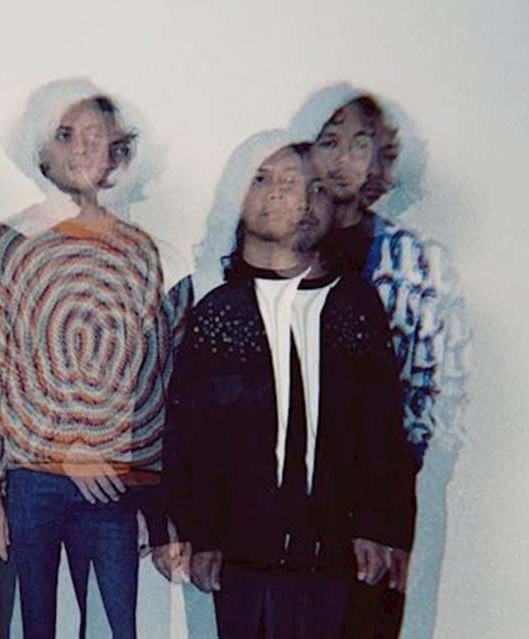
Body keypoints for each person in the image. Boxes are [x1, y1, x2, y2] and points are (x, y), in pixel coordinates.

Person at [0, 80, 180, 639]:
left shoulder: (139, 250)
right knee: (37, 626)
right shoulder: (8, 241)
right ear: (41, 150)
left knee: (114, 627)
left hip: (114, 487)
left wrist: (149, 496)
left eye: (96, 136)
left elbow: (153, 377)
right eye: (65, 135)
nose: (82, 149)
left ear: (118, 151)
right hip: (32, 482)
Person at [167, 133, 416, 639]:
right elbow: (191, 435)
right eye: (264, 180)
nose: (284, 194)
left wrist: (379, 525)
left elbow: (384, 429)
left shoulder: (356, 306)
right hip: (245, 554)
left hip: (339, 552)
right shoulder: (218, 313)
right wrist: (201, 534)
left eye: (303, 184)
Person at [292, 86, 470, 639]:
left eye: (359, 144)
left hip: (382, 492)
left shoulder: (417, 259)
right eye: (329, 142)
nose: (343, 159)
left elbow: (442, 384)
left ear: (381, 157)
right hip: (294, 497)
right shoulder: (278, 248)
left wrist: (391, 485)